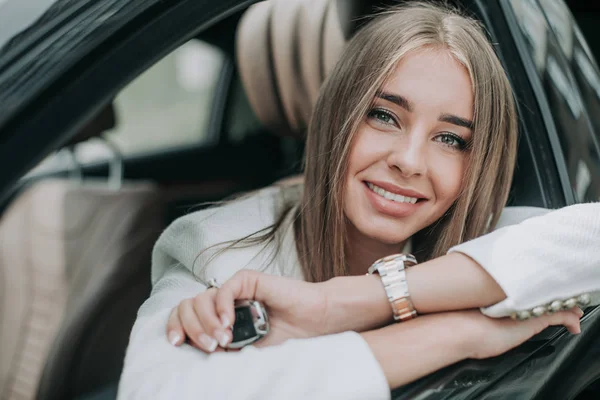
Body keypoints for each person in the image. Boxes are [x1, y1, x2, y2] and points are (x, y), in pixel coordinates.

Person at [117, 2, 600, 399]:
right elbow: (152, 391)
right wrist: (455, 334)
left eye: (451, 139)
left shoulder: (489, 237)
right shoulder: (218, 252)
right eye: (384, 116)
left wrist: (345, 303)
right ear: (336, 118)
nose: (410, 162)